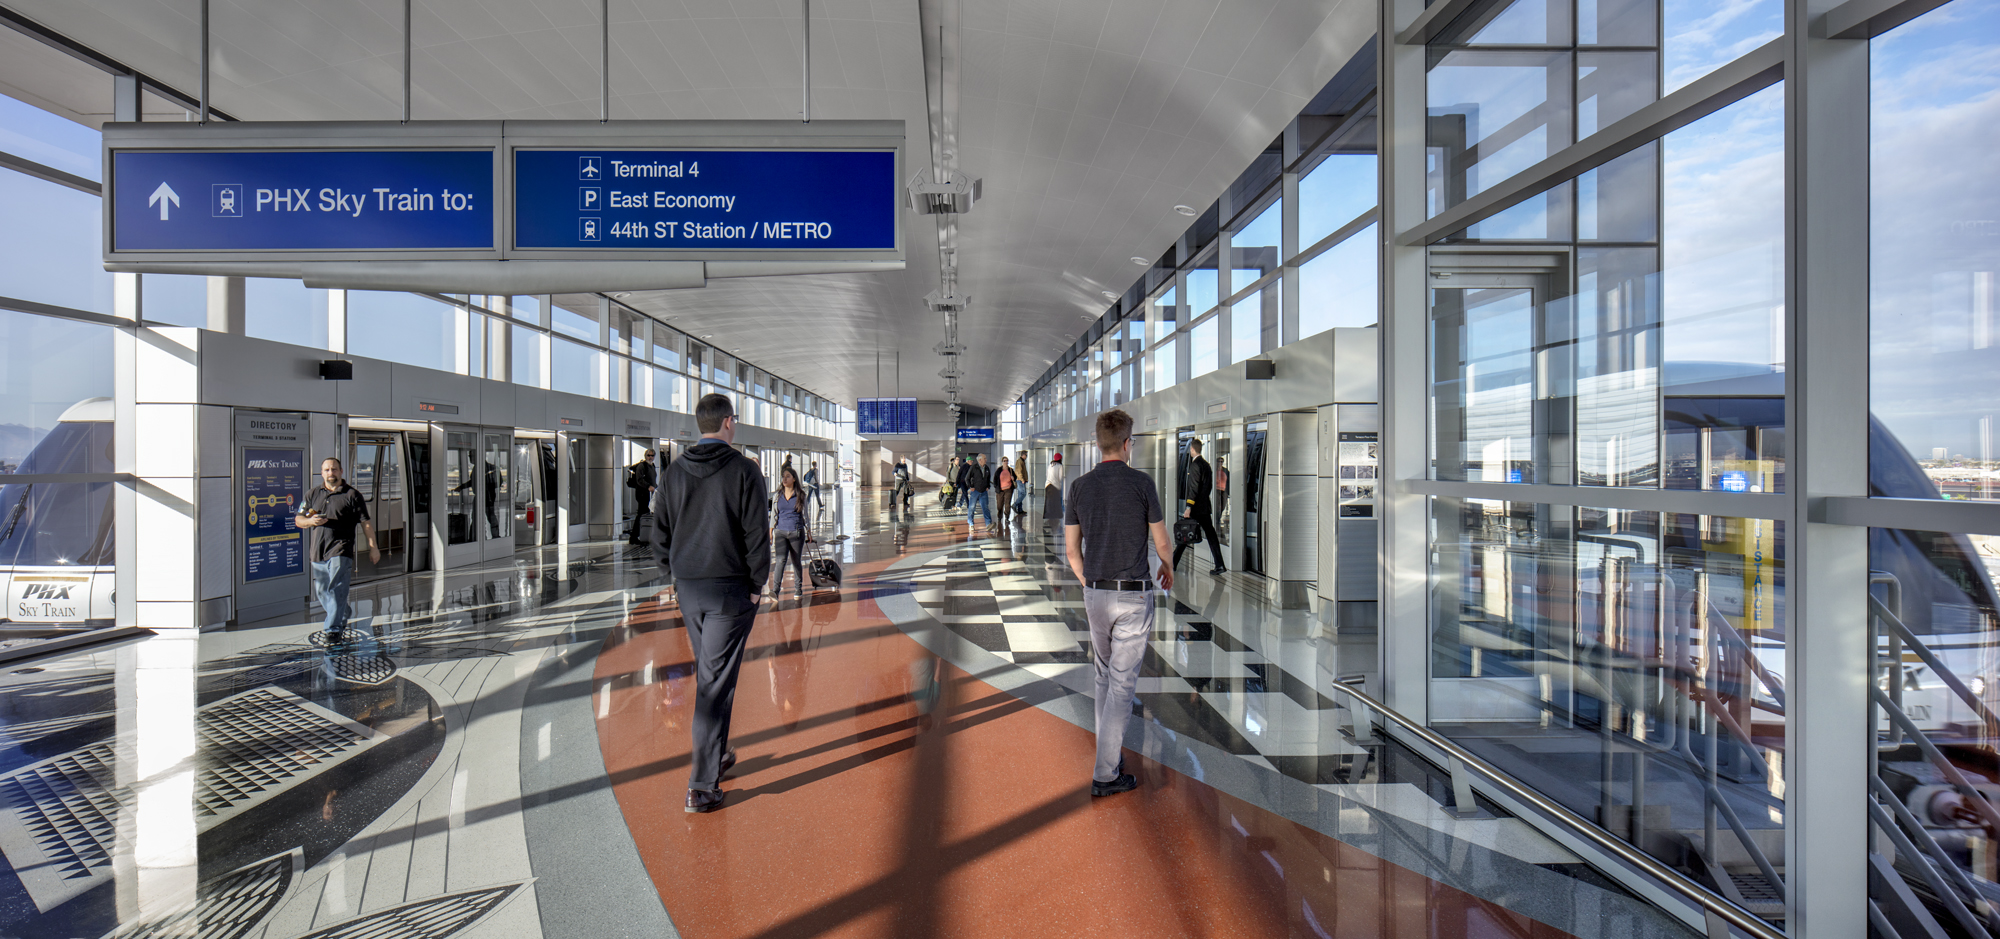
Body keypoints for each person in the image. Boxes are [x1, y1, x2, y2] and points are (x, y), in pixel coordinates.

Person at [648, 393, 771, 814]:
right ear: (728, 424)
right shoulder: (745, 471)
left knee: (711, 673)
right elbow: (757, 535)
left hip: (690, 591)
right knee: (714, 681)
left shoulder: (674, 473)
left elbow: (658, 533)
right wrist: (758, 585)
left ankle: (715, 755)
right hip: (730, 591)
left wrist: (673, 571)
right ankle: (701, 786)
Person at [1064, 409, 1173, 797]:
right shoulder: (1142, 483)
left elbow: (1072, 550)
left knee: (1103, 677)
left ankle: (1108, 756)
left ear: (1097, 443)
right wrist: (1168, 566)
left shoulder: (1079, 486)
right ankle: (1106, 773)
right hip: (1132, 594)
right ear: (1128, 444)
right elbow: (1161, 542)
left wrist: (1087, 581)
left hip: (1095, 593)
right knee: (1122, 685)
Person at [296, 457, 380, 644]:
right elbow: (299, 520)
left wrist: (373, 548)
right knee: (322, 591)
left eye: (334, 469)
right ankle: (344, 610)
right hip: (318, 551)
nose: (330, 473)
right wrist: (311, 521)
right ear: (322, 472)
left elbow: (365, 524)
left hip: (341, 549)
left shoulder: (352, 495)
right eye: (326, 470)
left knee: (336, 588)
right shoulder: (313, 494)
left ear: (341, 471)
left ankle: (333, 630)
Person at [1174, 439, 1226, 575]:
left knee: (1185, 534)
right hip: (1204, 506)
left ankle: (1172, 563)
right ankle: (1219, 564)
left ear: (1192, 449)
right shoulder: (1206, 465)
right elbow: (1208, 487)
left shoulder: (1195, 465)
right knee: (1211, 534)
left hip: (1196, 507)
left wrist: (1189, 506)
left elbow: (1193, 488)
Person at [767, 466, 813, 600]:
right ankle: (775, 590)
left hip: (796, 532)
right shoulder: (777, 496)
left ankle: (798, 589)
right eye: (783, 476)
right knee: (780, 560)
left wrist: (809, 531)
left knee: (795, 561)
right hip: (780, 532)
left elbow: (805, 516)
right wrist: (770, 532)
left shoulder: (800, 495)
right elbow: (774, 515)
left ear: (794, 479)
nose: (784, 479)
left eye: (787, 476)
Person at [626, 448, 658, 544]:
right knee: (641, 513)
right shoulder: (642, 466)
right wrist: (648, 486)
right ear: (645, 456)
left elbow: (652, 480)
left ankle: (642, 535)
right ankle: (634, 536)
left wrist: (656, 488)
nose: (650, 457)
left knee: (645, 513)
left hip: (649, 493)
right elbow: (639, 480)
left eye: (652, 456)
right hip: (642, 493)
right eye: (649, 455)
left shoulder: (652, 466)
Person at [963, 452, 993, 531]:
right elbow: (967, 478)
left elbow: (988, 478)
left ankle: (988, 523)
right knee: (972, 508)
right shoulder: (974, 467)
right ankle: (971, 523)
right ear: (980, 460)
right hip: (975, 491)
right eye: (984, 459)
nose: (986, 460)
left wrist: (988, 486)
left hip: (984, 492)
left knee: (985, 508)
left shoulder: (986, 468)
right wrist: (970, 487)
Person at [1043, 452, 1065, 534]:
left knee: (1048, 501)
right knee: (1055, 501)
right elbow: (1060, 477)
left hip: (1047, 485)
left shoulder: (1050, 465)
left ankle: (1048, 515)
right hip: (1055, 486)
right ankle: (1055, 516)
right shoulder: (1060, 466)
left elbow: (1046, 475)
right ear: (1060, 458)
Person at [1013, 450, 1031, 517]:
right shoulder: (1019, 461)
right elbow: (1018, 471)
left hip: (1021, 480)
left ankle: (1020, 510)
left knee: (1020, 494)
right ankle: (1015, 505)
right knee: (1023, 494)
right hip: (1020, 480)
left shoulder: (1022, 461)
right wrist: (1022, 479)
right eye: (1026, 455)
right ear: (1023, 455)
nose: (1026, 456)